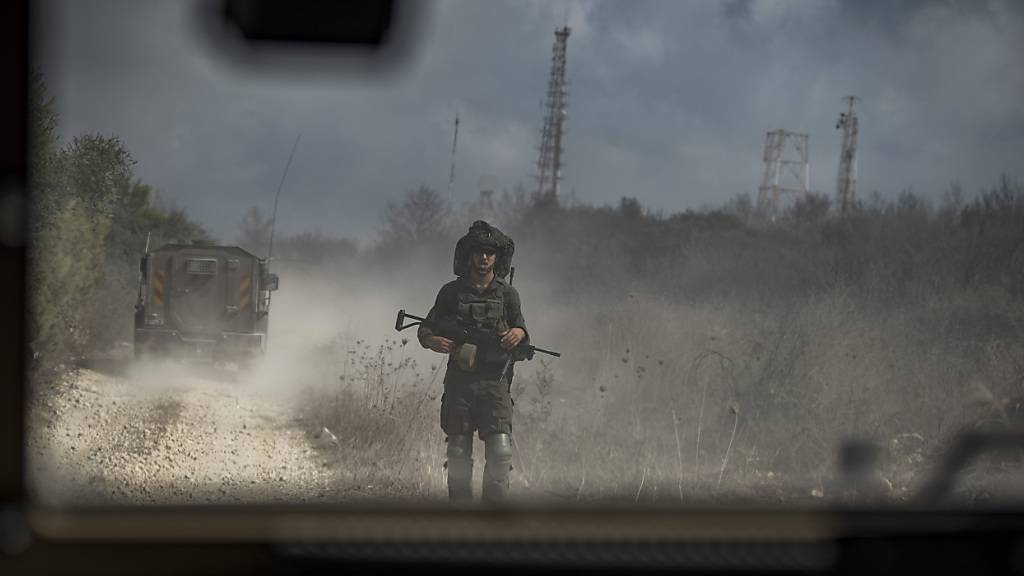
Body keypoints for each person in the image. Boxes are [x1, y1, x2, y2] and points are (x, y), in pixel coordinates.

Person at [418, 220, 528, 503]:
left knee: (501, 452)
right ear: (469, 255)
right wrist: (433, 341)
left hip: (495, 382)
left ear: (497, 257)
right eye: (479, 251)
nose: (484, 258)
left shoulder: (508, 295)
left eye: (490, 252)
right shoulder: (451, 293)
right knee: (457, 451)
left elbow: (522, 332)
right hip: (460, 382)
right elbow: (426, 328)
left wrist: (518, 334)